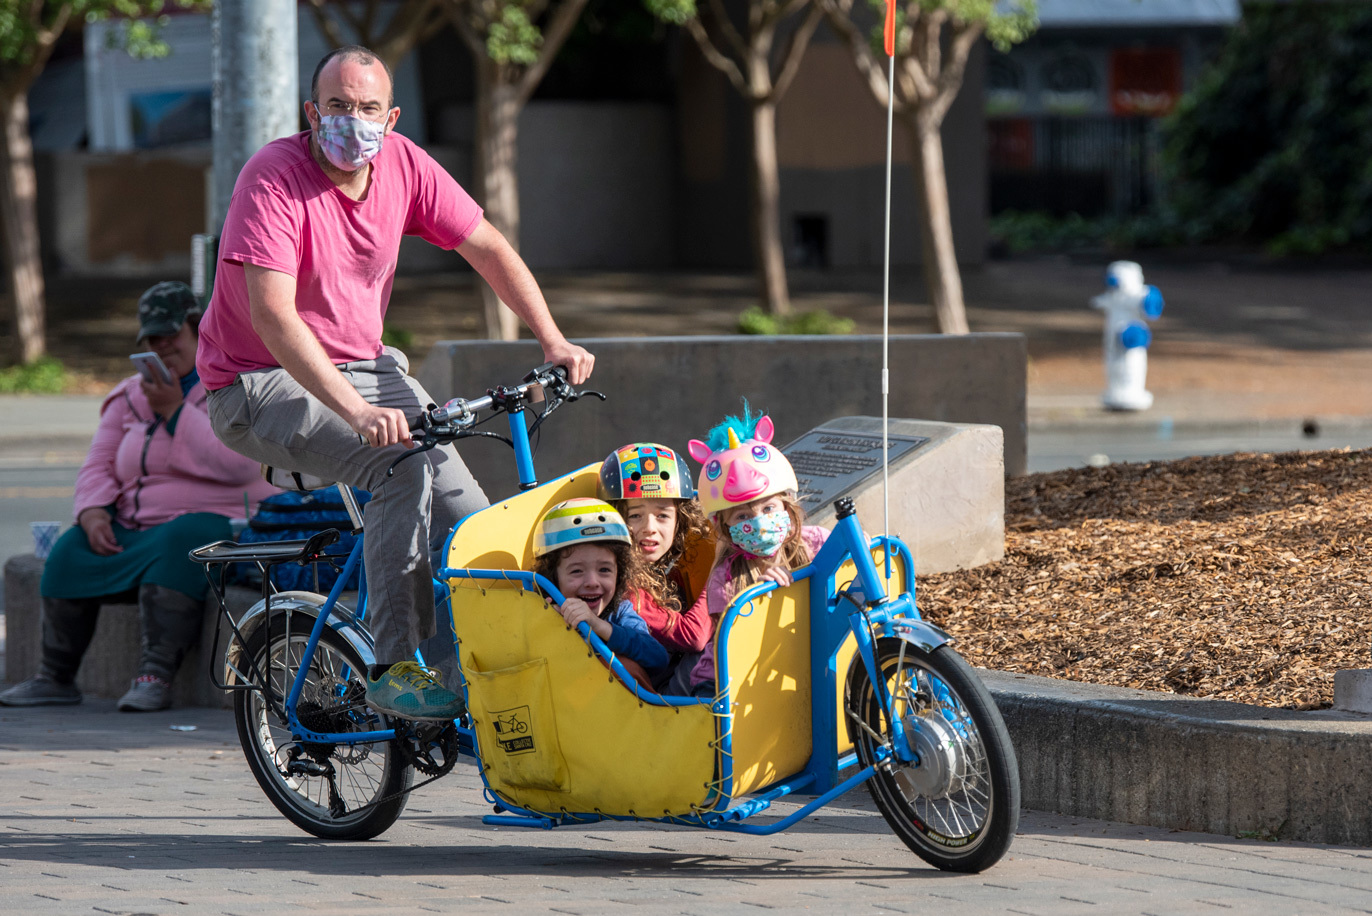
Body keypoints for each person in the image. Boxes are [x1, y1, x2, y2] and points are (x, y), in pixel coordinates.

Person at [195, 45, 594, 721]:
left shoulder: (405, 164)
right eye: (339, 106)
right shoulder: (274, 177)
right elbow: (271, 315)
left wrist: (552, 338)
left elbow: (488, 247)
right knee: (398, 469)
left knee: (475, 527)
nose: (353, 120)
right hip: (258, 380)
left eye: (369, 108)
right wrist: (352, 409)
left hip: (371, 370)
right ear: (311, 111)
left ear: (393, 116)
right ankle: (394, 670)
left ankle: (480, 676)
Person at [0, 282, 279, 712]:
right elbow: (99, 461)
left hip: (213, 524)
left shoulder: (233, 385)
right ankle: (53, 676)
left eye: (172, 336)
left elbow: (240, 463)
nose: (162, 348)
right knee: (71, 549)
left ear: (199, 330)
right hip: (136, 526)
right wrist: (93, 511)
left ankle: (155, 676)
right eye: (152, 339)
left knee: (182, 540)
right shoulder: (131, 394)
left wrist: (174, 411)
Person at [674, 408, 829, 698]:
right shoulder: (726, 577)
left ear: (786, 504)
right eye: (743, 515)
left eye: (768, 508)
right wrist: (756, 598)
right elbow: (733, 642)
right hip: (724, 679)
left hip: (793, 661)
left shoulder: (815, 541)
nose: (758, 521)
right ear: (724, 526)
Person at [596, 443, 713, 686]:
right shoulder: (626, 588)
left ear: (679, 521)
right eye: (635, 515)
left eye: (662, 516)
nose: (650, 527)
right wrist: (721, 578)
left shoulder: (663, 566)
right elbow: (693, 637)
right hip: (664, 696)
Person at [532, 499, 669, 689]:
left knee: (625, 668)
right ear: (553, 577)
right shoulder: (539, 612)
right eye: (577, 571)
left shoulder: (619, 610)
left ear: (619, 574)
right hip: (563, 709)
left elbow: (658, 658)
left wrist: (599, 626)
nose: (592, 582)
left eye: (604, 570)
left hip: (616, 711)